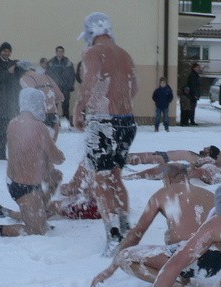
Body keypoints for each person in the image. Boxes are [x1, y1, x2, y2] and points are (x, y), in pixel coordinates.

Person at [91, 163, 221, 287]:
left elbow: (136, 234)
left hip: (190, 257)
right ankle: (184, 281)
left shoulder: (163, 194)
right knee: (172, 237)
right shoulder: (210, 195)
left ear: (169, 179)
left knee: (124, 258)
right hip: (217, 261)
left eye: (163, 181)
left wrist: (110, 269)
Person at [73, 12, 138, 256]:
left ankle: (112, 236)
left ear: (90, 34)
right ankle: (126, 228)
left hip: (103, 122)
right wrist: (119, 104)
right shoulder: (125, 54)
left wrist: (80, 109)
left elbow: (90, 82)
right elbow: (135, 88)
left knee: (101, 179)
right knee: (115, 176)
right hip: (127, 122)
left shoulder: (92, 53)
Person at [0, 88, 66, 238]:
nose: (44, 107)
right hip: (26, 187)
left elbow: (30, 151)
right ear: (36, 104)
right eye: (42, 104)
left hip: (15, 182)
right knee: (37, 230)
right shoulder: (38, 127)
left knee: (54, 175)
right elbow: (58, 158)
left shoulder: (13, 123)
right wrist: (55, 133)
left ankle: (14, 213)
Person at [125, 147, 221, 185]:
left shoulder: (212, 169)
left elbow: (193, 173)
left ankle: (135, 175)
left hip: (182, 174)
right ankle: (135, 174)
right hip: (189, 173)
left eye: (220, 155)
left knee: (170, 166)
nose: (217, 156)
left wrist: (193, 166)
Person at [18, 60, 64, 140]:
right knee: (51, 148)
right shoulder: (46, 76)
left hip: (38, 117)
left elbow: (29, 97)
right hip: (53, 116)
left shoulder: (25, 78)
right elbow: (60, 96)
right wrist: (50, 102)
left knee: (37, 149)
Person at [46, 46, 77, 122]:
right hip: (54, 87)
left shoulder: (68, 62)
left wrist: (70, 85)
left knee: (66, 105)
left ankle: (66, 121)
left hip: (66, 88)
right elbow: (47, 75)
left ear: (63, 52)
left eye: (61, 51)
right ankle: (54, 121)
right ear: (56, 52)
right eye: (58, 51)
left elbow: (72, 75)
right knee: (54, 105)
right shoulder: (51, 62)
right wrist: (50, 86)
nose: (60, 53)